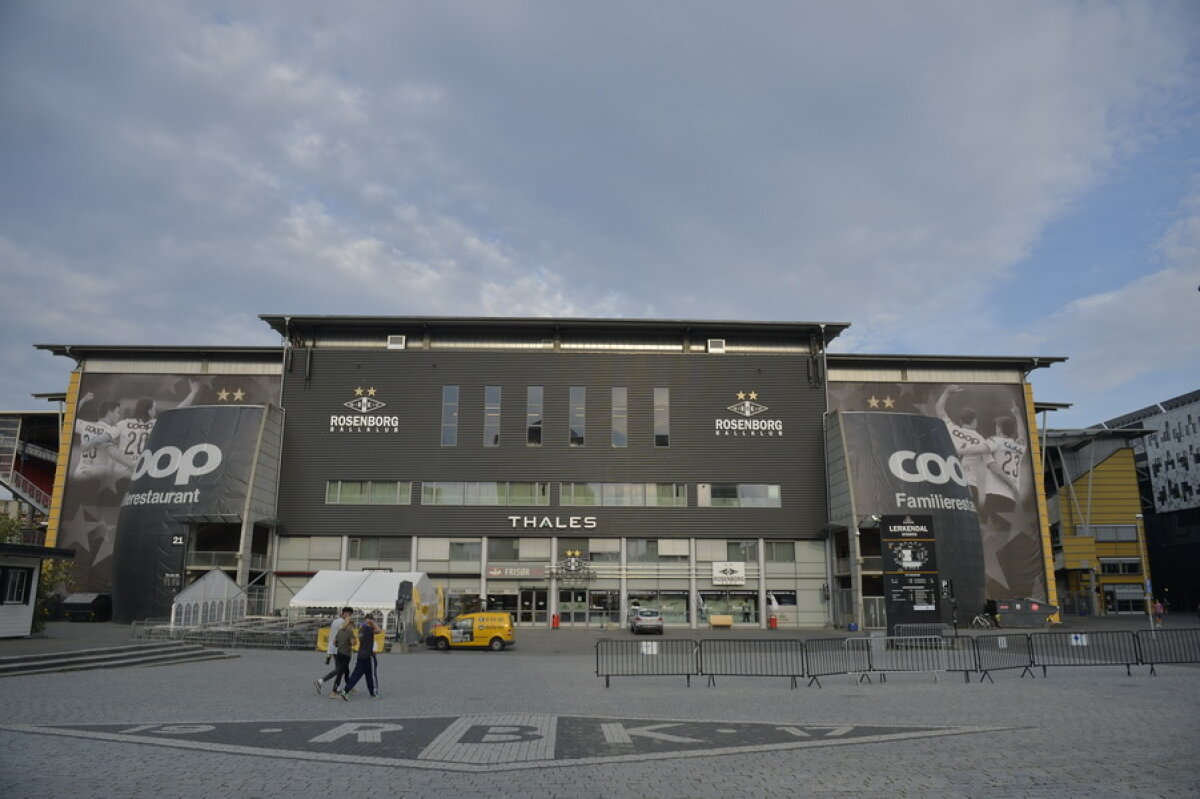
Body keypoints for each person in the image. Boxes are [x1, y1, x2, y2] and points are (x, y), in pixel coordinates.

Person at [935, 385, 991, 506]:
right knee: (971, 520)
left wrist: (946, 393)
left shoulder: (951, 429)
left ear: (960, 421)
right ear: (975, 421)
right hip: (969, 483)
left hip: (950, 481)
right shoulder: (981, 440)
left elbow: (939, 410)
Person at [338, 612, 382, 700]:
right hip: (369, 655)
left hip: (361, 655)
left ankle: (346, 691)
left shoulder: (361, 630)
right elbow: (379, 630)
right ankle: (374, 693)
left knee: (356, 675)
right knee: (372, 675)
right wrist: (372, 623)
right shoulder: (368, 629)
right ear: (370, 620)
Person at [314, 607, 354, 696]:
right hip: (339, 649)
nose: (350, 617)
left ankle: (346, 687)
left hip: (333, 648)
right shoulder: (342, 623)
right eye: (349, 615)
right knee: (339, 670)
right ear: (345, 613)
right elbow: (344, 633)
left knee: (346, 670)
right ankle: (320, 681)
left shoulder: (336, 621)